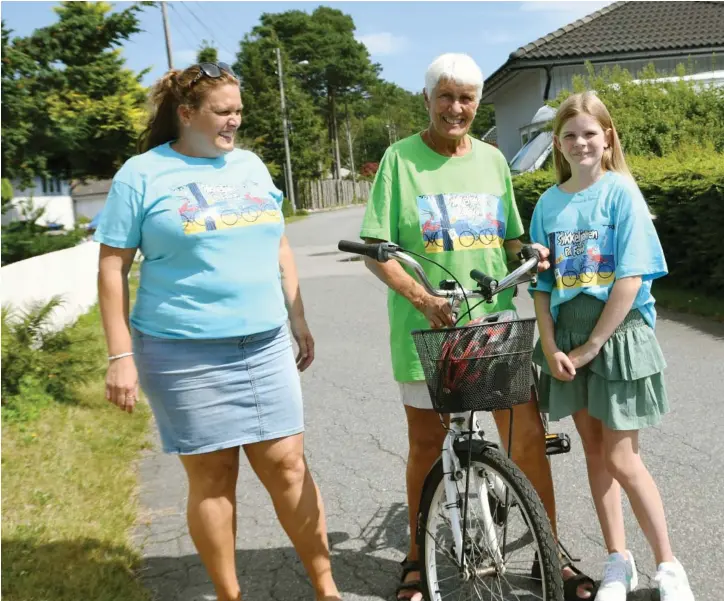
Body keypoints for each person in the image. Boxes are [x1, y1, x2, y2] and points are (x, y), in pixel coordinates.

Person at [95, 62, 341, 601]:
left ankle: (327, 590)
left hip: (264, 340)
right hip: (182, 350)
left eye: (238, 111)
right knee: (213, 476)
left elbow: (278, 242)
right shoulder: (142, 174)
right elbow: (112, 266)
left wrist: (295, 316)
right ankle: (230, 596)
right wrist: (120, 355)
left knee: (289, 466)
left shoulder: (251, 166)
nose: (234, 121)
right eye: (223, 111)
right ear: (187, 114)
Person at [358, 53, 596, 601]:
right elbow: (376, 250)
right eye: (447, 96)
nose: (457, 107)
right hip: (429, 325)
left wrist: (528, 251)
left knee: (526, 436)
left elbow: (509, 235)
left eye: (467, 97)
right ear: (428, 99)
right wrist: (420, 297)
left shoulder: (491, 160)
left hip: (490, 324)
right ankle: (417, 559)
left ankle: (549, 553)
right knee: (426, 444)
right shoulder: (400, 159)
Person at [529, 91, 695, 601]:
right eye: (571, 135)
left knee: (624, 459)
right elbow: (541, 286)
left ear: (607, 139)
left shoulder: (621, 192)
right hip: (569, 340)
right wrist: (552, 343)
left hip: (615, 337)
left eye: (590, 134)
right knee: (596, 455)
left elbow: (630, 275)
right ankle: (617, 563)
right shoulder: (547, 203)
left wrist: (592, 346)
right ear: (558, 143)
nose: (581, 142)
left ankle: (669, 565)